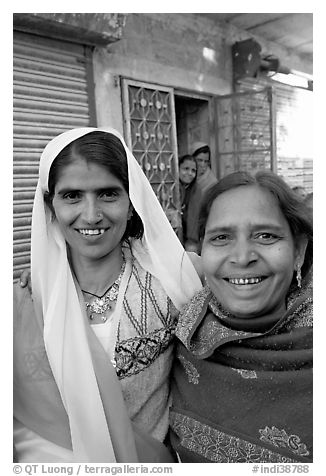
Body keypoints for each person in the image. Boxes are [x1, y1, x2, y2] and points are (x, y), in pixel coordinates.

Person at [14, 127, 203, 463]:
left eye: (108, 194)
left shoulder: (173, 282)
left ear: (132, 203)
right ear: (50, 207)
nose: (91, 215)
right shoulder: (27, 302)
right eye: (72, 196)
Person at [170, 170, 313, 463]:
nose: (242, 256)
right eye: (221, 237)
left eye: (265, 235)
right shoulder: (184, 334)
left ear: (298, 250)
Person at [178, 155, 202, 253]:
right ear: (177, 168)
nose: (189, 173)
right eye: (186, 169)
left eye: (193, 170)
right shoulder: (171, 187)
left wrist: (192, 241)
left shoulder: (196, 190)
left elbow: (195, 218)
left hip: (190, 238)